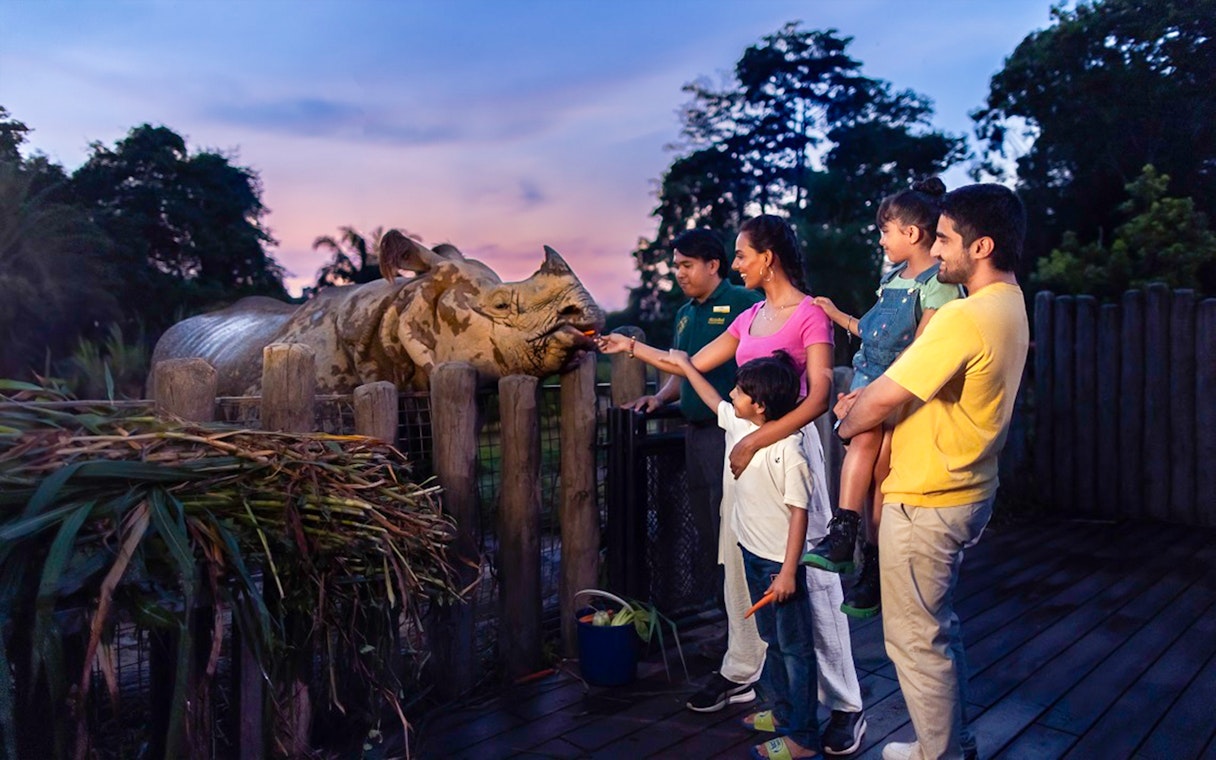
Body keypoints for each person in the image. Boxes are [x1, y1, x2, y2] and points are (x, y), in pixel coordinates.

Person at [601, 214, 865, 757]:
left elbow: (817, 397)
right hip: (740, 454)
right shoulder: (749, 317)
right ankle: (767, 687)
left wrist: (757, 439)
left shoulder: (812, 315)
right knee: (744, 570)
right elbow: (690, 365)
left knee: (812, 581)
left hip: (786, 451)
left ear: (767, 257)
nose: (736, 263)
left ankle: (846, 706)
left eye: (742, 255)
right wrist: (629, 350)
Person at [834, 184, 1029, 760]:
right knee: (936, 629)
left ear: (982, 245)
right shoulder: (1012, 304)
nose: (936, 249)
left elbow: (879, 398)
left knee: (915, 640)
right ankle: (948, 744)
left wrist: (847, 422)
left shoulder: (964, 317)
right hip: (968, 488)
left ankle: (938, 755)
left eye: (945, 238)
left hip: (929, 497)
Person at [802, 178, 962, 619]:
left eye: (886, 231)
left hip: (897, 386)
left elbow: (921, 352)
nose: (881, 239)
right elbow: (871, 333)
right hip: (868, 376)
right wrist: (835, 315)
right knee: (866, 452)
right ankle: (845, 536)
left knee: (880, 470)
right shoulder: (892, 277)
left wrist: (872, 397)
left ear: (912, 234)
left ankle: (868, 562)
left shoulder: (939, 284)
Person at [663, 347, 822, 760]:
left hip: (777, 566)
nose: (731, 393)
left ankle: (803, 737)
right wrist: (683, 366)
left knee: (795, 649)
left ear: (761, 405)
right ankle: (782, 711)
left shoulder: (790, 450)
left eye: (739, 389)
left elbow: (799, 515)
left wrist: (788, 571)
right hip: (752, 554)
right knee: (770, 638)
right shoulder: (739, 424)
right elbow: (712, 399)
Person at [620, 229, 761, 641]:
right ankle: (730, 624)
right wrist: (659, 399)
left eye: (686, 265)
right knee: (709, 532)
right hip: (695, 435)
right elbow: (682, 370)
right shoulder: (684, 314)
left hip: (732, 433)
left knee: (733, 530)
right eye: (676, 265)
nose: (679, 273)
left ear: (713, 265)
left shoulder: (744, 303)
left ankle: (749, 630)